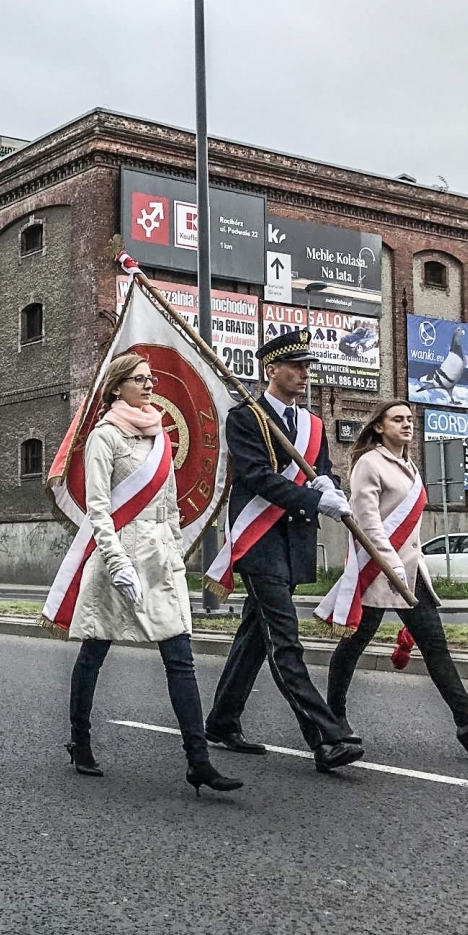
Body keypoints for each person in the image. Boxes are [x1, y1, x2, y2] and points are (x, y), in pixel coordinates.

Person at [56, 353, 241, 794]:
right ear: (117, 386)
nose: (149, 385)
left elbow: (171, 502)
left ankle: (198, 760)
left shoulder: (159, 431)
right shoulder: (105, 436)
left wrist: (175, 549)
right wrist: (117, 562)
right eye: (139, 379)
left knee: (180, 657)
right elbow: (97, 508)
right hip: (118, 555)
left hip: (160, 559)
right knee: (95, 649)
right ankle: (80, 741)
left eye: (150, 378)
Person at [202, 328, 365, 773]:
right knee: (283, 640)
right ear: (272, 369)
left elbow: (322, 469)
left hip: (292, 542)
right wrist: (315, 500)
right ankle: (326, 737)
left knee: (256, 634)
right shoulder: (246, 417)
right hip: (258, 540)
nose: (304, 374)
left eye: (308, 367)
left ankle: (221, 720)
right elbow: (255, 476)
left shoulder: (312, 425)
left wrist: (327, 483)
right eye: (296, 367)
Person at [319, 401, 468, 755]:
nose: (407, 424)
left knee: (435, 645)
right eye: (398, 419)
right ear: (379, 426)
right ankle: (334, 719)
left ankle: (467, 721)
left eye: (409, 419)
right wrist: (390, 565)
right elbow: (368, 522)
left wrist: (410, 564)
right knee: (353, 644)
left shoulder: (410, 465)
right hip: (378, 571)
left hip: (411, 572)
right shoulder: (369, 464)